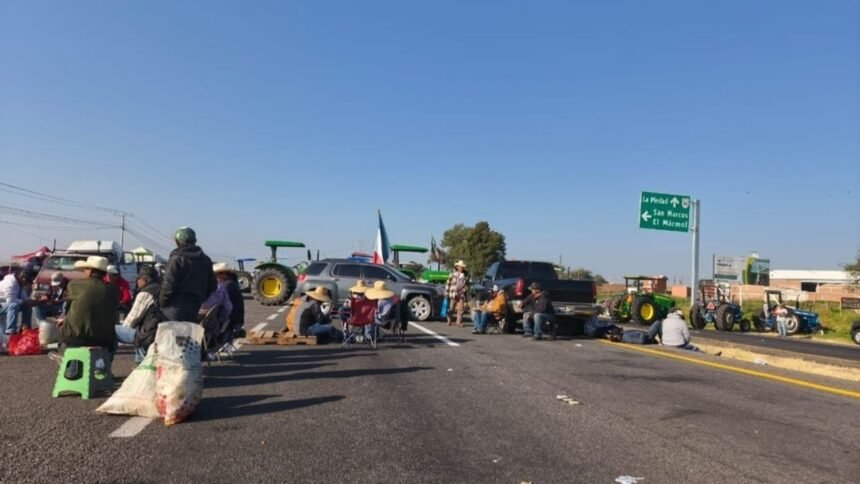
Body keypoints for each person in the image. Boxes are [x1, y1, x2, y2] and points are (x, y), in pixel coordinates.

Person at [58, 256, 120, 356]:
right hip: (104, 339)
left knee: (66, 331)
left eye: (85, 269)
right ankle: (104, 365)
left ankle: (68, 361)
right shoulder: (114, 290)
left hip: (75, 338)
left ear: (90, 271)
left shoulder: (74, 285)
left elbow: (69, 308)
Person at [159, 226, 217, 322]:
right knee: (187, 335)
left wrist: (162, 303)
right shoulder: (206, 260)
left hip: (174, 308)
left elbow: (168, 286)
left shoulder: (176, 259)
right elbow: (213, 286)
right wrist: (199, 298)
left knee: (172, 335)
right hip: (195, 307)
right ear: (195, 241)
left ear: (177, 242)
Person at [115, 266, 163, 362]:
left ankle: (104, 366)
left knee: (111, 330)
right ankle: (139, 362)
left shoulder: (146, 293)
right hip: (160, 330)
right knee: (138, 332)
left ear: (144, 279)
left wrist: (123, 328)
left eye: (138, 279)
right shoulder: (161, 289)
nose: (137, 282)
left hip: (148, 334)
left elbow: (133, 318)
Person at [0, 269, 36, 336]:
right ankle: (11, 331)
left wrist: (32, 301)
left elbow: (24, 298)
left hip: (6, 305)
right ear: (22, 278)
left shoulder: (19, 284)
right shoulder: (10, 283)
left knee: (27, 307)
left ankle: (25, 328)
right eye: (27, 282)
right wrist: (25, 301)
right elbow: (10, 300)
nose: (27, 284)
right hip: (2, 304)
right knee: (13, 305)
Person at [222, 265, 245, 338]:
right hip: (238, 319)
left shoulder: (226, 286)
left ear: (223, 274)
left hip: (232, 320)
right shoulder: (233, 283)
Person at [445, 260, 469, 327]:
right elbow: (448, 283)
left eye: (462, 267)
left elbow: (467, 285)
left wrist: (465, 289)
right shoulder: (452, 274)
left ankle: (458, 322)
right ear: (457, 267)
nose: (461, 268)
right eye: (460, 267)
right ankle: (449, 320)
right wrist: (446, 291)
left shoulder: (465, 275)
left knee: (460, 309)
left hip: (461, 294)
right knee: (451, 308)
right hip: (453, 293)